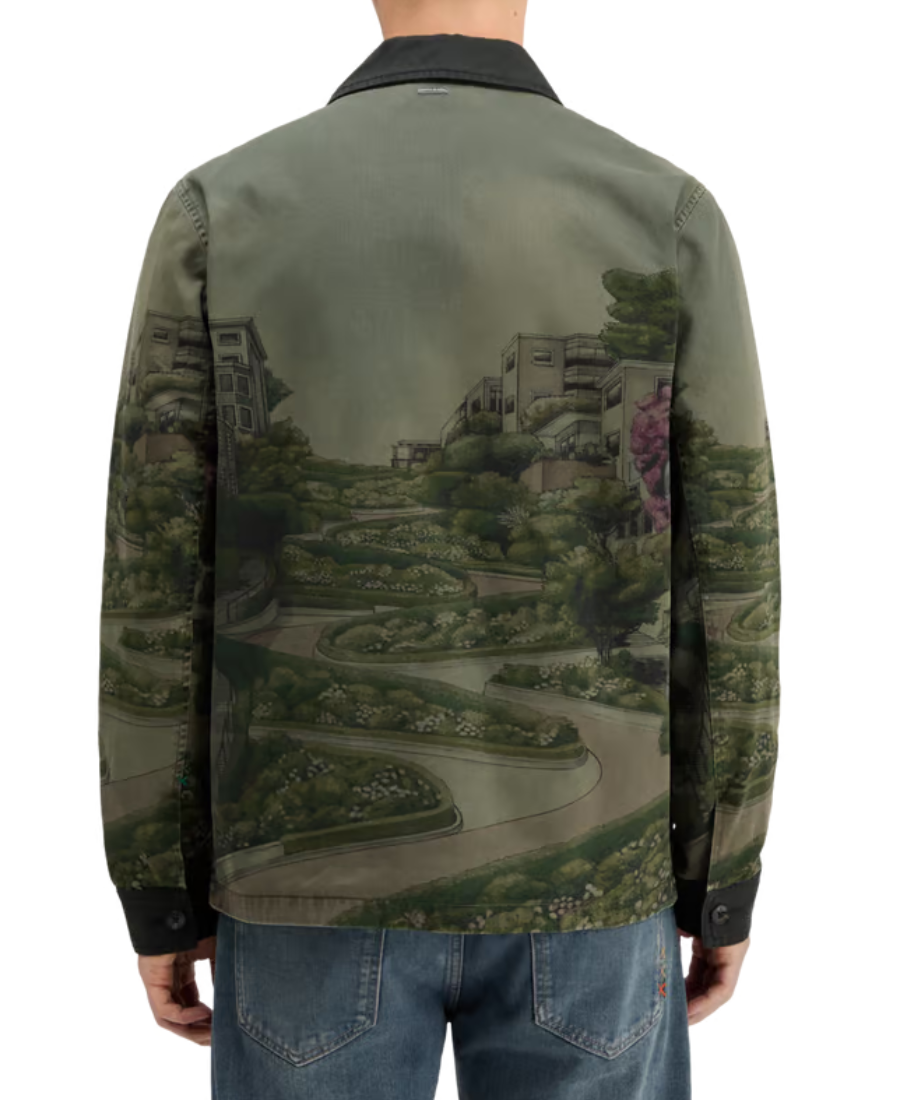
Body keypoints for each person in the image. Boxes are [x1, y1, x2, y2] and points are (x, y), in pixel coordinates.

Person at [96, 1, 781, 1096]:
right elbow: (729, 580)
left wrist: (157, 887)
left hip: (303, 908)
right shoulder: (665, 214)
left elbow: (156, 582)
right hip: (597, 903)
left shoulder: (223, 209)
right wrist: (722, 875)